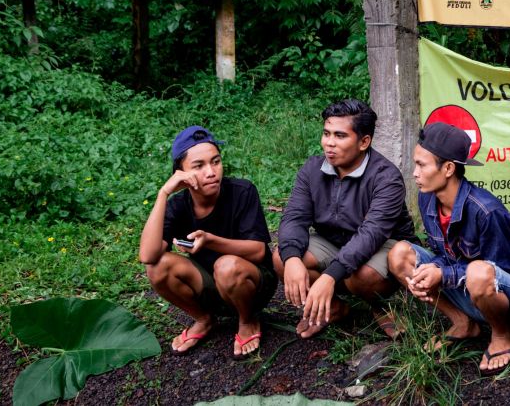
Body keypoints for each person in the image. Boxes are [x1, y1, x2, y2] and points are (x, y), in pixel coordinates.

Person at [388, 122, 510, 376]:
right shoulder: (427, 197)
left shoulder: (487, 211)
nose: (414, 172)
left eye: (421, 165)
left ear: (448, 168)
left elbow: (500, 271)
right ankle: (462, 322)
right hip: (465, 289)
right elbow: (444, 255)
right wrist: (430, 272)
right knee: (398, 255)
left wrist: (443, 274)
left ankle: (503, 336)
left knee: (479, 273)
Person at [273, 99, 417, 338]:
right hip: (333, 241)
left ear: (364, 142)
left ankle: (380, 307)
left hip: (383, 247)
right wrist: (291, 259)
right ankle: (334, 307)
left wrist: (330, 275)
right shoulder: (312, 169)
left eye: (340, 136)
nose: (329, 143)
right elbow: (294, 218)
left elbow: (372, 234)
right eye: (326, 133)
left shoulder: (386, 177)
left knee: (361, 276)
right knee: (282, 257)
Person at [139, 126, 276, 359]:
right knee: (158, 267)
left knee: (227, 265)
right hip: (211, 283)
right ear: (180, 173)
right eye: (199, 166)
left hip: (252, 282)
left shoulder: (242, 192)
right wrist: (163, 194)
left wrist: (211, 241)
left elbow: (258, 251)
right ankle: (204, 319)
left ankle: (247, 320)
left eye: (216, 162)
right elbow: (148, 256)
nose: (211, 172)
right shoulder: (178, 205)